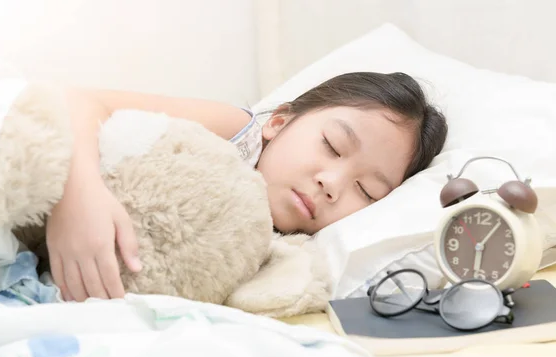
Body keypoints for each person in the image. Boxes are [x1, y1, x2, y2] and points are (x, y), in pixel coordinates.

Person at [48, 71, 448, 302]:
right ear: (278, 121)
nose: (332, 183)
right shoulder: (238, 133)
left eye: (367, 191)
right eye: (332, 145)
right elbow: (79, 100)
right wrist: (79, 196)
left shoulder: (295, 254)